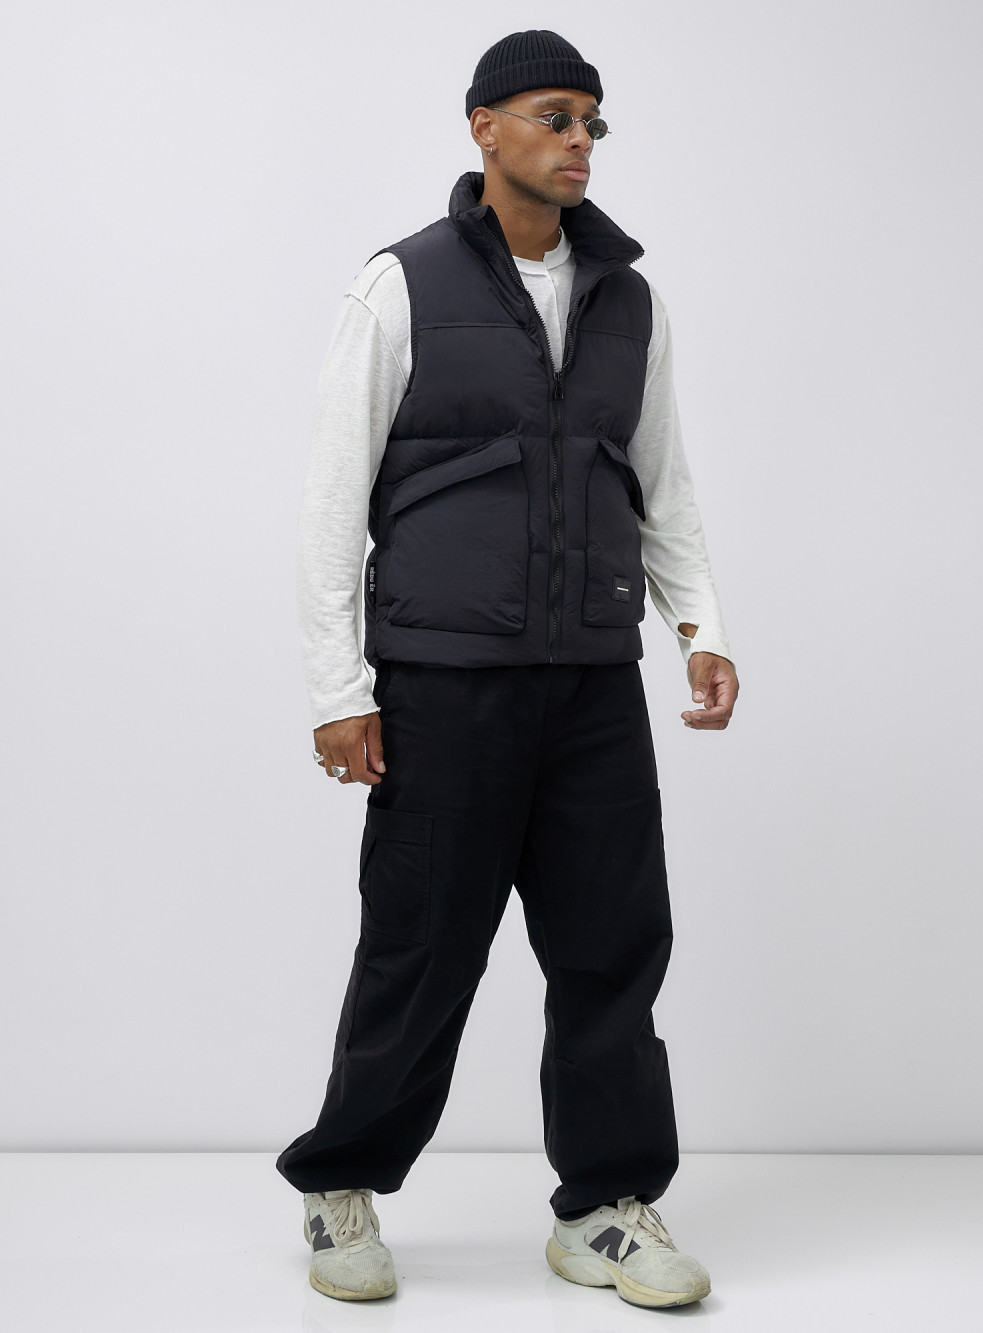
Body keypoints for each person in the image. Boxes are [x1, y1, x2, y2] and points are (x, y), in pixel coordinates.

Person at [275, 27, 739, 1311]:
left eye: (594, 122)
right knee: (422, 945)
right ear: (483, 126)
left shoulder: (629, 299)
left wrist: (699, 626)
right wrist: (339, 691)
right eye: (554, 116)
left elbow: (659, 480)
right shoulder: (401, 285)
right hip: (443, 681)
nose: (580, 141)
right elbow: (330, 501)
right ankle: (340, 1182)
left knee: (612, 949)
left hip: (591, 677)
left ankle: (603, 1208)